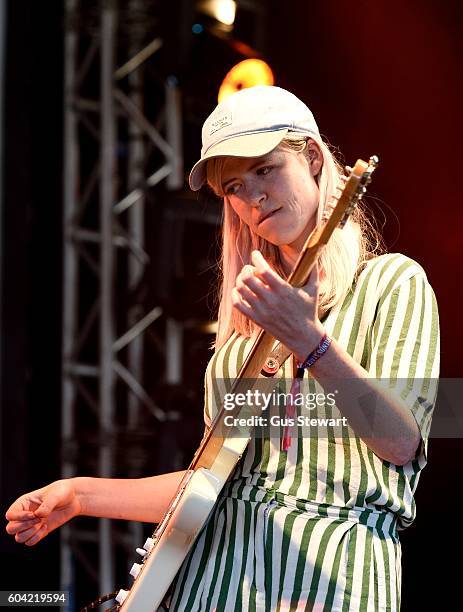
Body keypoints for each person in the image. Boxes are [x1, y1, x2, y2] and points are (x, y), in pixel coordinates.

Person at [5, 86, 439, 611]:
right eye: (234, 184)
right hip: (215, 587)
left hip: (331, 583)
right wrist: (79, 495)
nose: (253, 194)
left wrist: (311, 342)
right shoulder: (237, 347)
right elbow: (211, 488)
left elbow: (400, 442)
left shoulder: (392, 284)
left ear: (315, 160)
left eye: (265, 168)